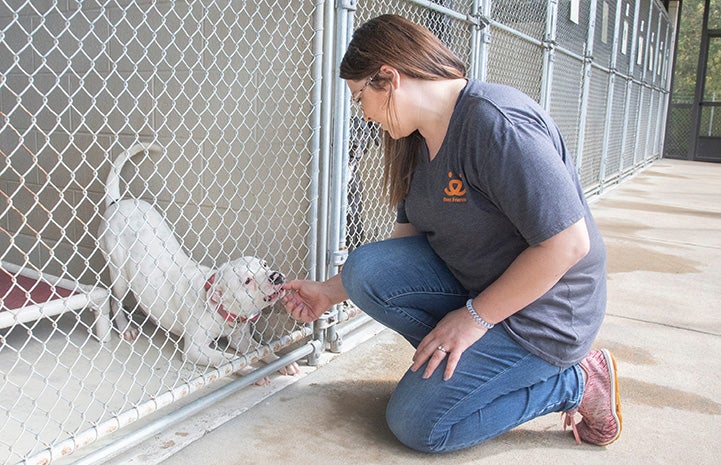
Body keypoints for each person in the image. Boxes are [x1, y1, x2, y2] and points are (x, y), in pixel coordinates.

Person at [282, 14, 622, 453]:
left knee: (417, 424)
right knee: (366, 267)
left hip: (545, 315)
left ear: (390, 77)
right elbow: (400, 253)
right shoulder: (415, 139)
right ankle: (462, 373)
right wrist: (328, 292)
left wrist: (473, 319)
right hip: (481, 289)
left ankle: (573, 380)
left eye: (360, 96)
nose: (363, 114)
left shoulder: (497, 123)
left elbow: (569, 244)